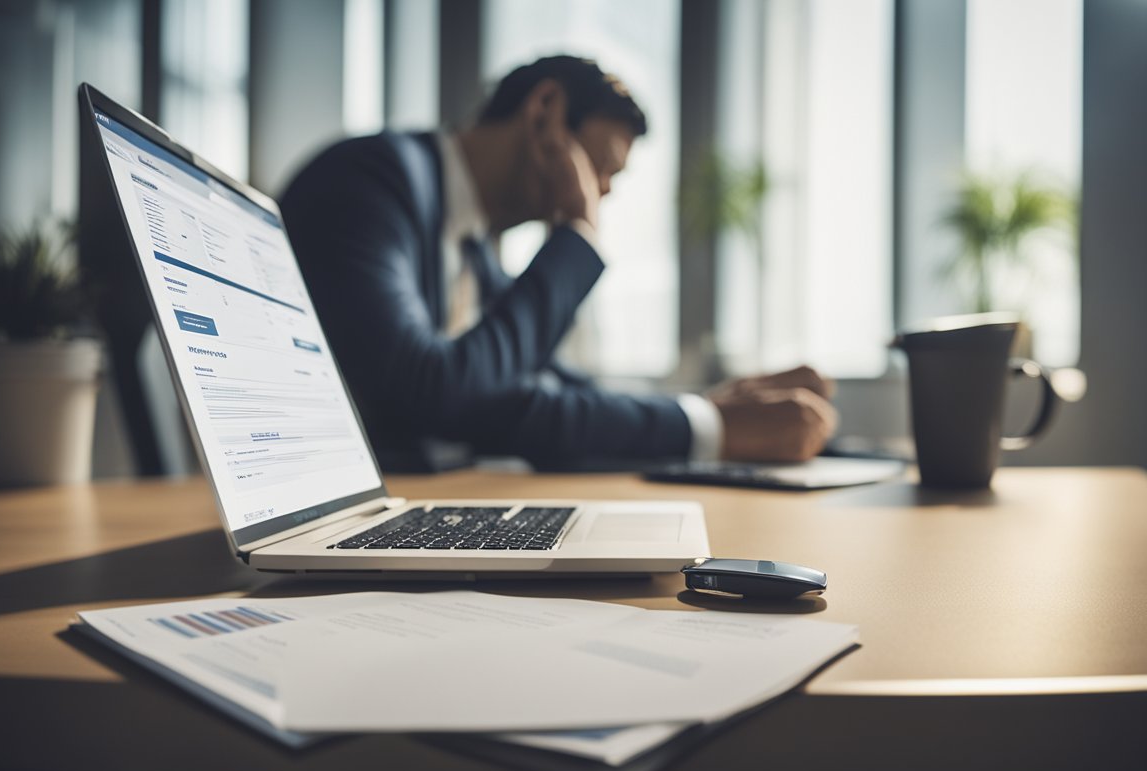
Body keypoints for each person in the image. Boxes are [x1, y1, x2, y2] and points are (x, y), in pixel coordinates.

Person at [280, 55, 837, 472]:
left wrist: (702, 411)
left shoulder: (470, 245)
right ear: (545, 112)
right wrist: (577, 233)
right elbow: (430, 392)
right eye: (603, 169)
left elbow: (539, 387)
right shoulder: (374, 181)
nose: (602, 194)